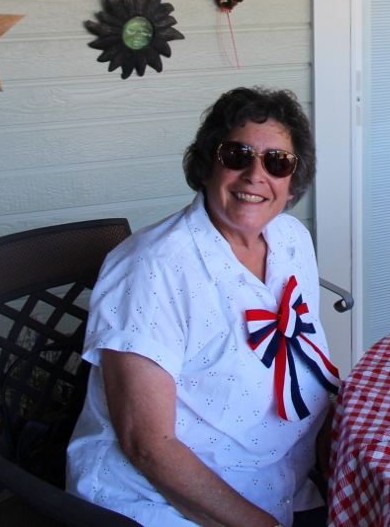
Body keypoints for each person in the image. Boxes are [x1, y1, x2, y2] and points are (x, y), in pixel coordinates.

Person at [67, 88, 337, 527]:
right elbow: (147, 445)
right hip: (161, 502)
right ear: (208, 164)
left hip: (282, 481)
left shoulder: (290, 240)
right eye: (237, 154)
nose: (255, 174)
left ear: (292, 181)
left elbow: (302, 362)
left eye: (277, 162)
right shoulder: (151, 268)